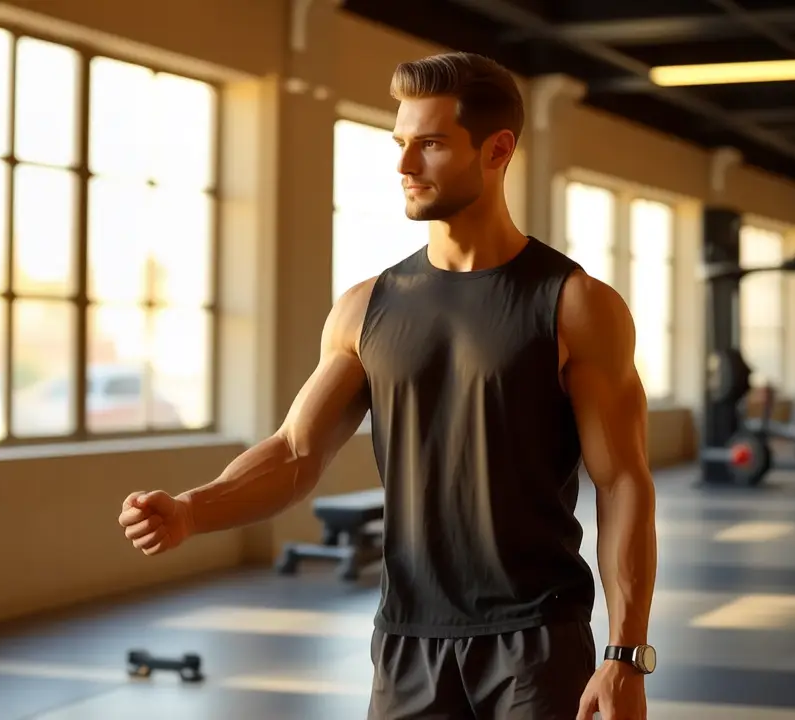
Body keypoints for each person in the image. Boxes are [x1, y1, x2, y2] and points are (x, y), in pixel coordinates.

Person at [118, 51, 658, 720]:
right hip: (406, 641)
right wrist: (191, 511)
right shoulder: (364, 308)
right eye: (400, 142)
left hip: (536, 639)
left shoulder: (575, 304)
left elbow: (622, 482)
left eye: (430, 144)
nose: (404, 165)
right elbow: (295, 453)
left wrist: (625, 653)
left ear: (497, 150)